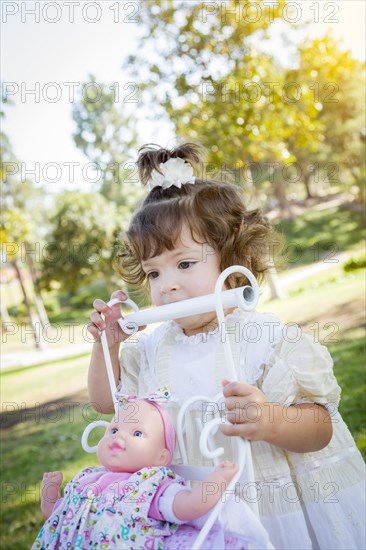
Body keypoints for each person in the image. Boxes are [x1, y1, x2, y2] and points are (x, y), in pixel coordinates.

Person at [88, 143, 365, 550]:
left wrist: (271, 420)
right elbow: (105, 404)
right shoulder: (147, 350)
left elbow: (321, 427)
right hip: (194, 512)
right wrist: (105, 347)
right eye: (153, 273)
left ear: (231, 258)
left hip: (272, 504)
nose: (167, 286)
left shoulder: (266, 340)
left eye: (184, 264)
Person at [32, 392, 242, 549]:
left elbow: (188, 507)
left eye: (137, 433)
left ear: (161, 457)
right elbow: (58, 515)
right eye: (114, 429)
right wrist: (50, 493)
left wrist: (217, 479)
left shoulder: (149, 485)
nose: (119, 436)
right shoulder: (88, 478)